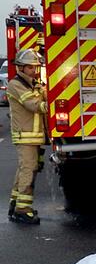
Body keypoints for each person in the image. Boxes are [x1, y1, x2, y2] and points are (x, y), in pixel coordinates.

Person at [7, 49, 48, 225]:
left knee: (24, 169)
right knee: (28, 170)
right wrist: (52, 105)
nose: (34, 70)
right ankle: (22, 210)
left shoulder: (32, 83)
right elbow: (32, 104)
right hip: (25, 136)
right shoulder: (15, 85)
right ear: (21, 67)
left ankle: (15, 204)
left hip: (33, 136)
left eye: (35, 67)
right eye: (30, 67)